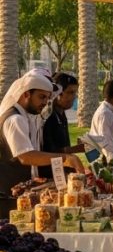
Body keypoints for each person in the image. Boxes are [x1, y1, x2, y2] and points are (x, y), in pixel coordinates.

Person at [0, 70, 85, 217]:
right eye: (41, 97)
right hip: (8, 196)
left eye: (47, 97)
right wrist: (65, 159)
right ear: (26, 94)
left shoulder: (29, 117)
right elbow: (25, 156)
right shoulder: (15, 120)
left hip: (22, 192)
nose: (45, 102)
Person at [41, 72, 84, 177]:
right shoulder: (48, 116)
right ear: (57, 93)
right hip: (51, 176)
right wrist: (78, 148)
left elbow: (62, 145)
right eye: (70, 92)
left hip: (65, 173)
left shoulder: (61, 113)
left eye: (75, 93)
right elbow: (49, 152)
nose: (74, 97)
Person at [89, 79, 113, 161]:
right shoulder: (105, 113)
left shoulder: (108, 111)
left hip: (110, 157)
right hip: (105, 161)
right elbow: (105, 143)